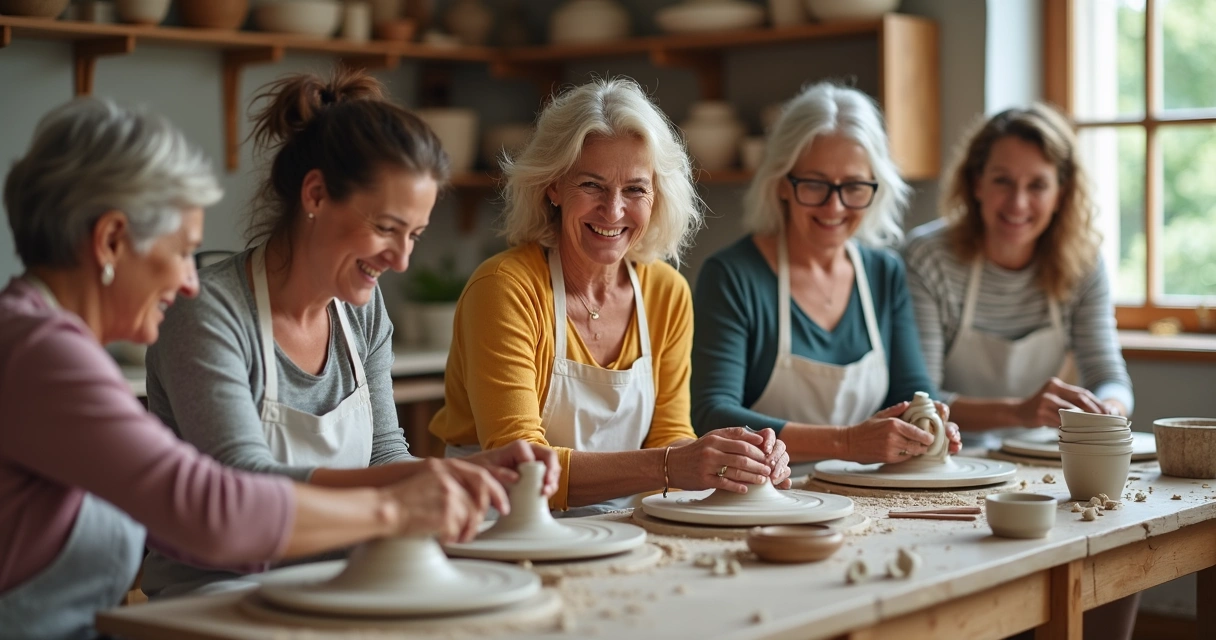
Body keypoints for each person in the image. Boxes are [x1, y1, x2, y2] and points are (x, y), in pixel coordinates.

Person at [0, 97, 507, 640]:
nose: (190, 282)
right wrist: (393, 510)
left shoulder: (49, 344)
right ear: (111, 240)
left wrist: (454, 479)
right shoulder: (41, 354)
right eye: (182, 252)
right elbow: (210, 511)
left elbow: (175, 511)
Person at [140, 67, 558, 597]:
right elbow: (246, 483)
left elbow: (385, 453)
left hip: (343, 579)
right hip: (218, 594)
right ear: (315, 194)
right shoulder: (207, 310)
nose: (402, 260)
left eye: (415, 235)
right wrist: (412, 490)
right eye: (385, 228)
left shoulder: (359, 310)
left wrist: (481, 470)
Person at [430, 78, 792, 516]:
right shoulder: (506, 288)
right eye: (591, 185)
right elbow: (519, 465)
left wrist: (731, 461)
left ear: (657, 195)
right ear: (553, 187)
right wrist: (675, 465)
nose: (614, 210)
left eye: (635, 188)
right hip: (496, 526)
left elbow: (669, 435)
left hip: (620, 525)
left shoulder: (666, 292)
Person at [691, 83, 960, 464]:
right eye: (815, 184)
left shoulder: (884, 273)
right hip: (764, 497)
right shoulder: (733, 276)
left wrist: (929, 421)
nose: (834, 206)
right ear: (782, 185)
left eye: (853, 186)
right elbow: (712, 414)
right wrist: (846, 443)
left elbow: (913, 392)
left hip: (866, 493)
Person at [902, 103, 1133, 432]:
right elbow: (919, 399)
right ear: (976, 184)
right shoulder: (928, 258)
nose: (1018, 202)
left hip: (1041, 457)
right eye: (1002, 181)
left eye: (1037, 185)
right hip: (947, 458)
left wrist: (1108, 408)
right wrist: (1019, 413)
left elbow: (1109, 377)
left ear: (1061, 193)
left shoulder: (1083, 263)